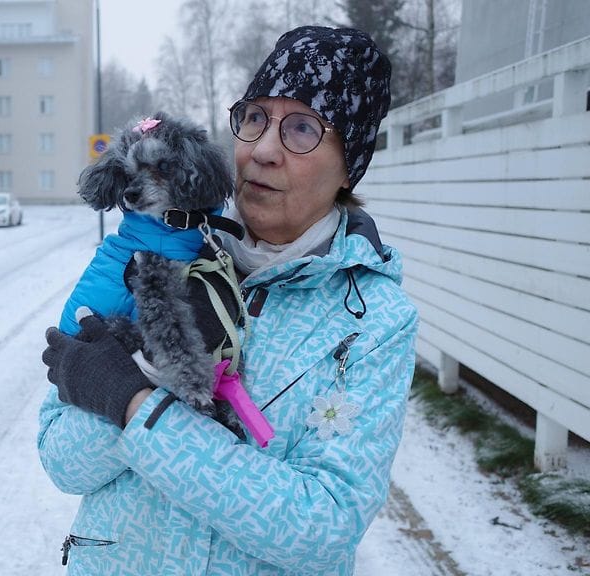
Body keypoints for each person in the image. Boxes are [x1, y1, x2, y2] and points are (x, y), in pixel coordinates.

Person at [38, 25, 418, 575]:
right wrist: (111, 388)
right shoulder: (152, 250)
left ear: (349, 164)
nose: (262, 150)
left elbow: (324, 525)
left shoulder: (373, 320)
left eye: (302, 129)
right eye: (255, 118)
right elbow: (60, 461)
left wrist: (133, 400)